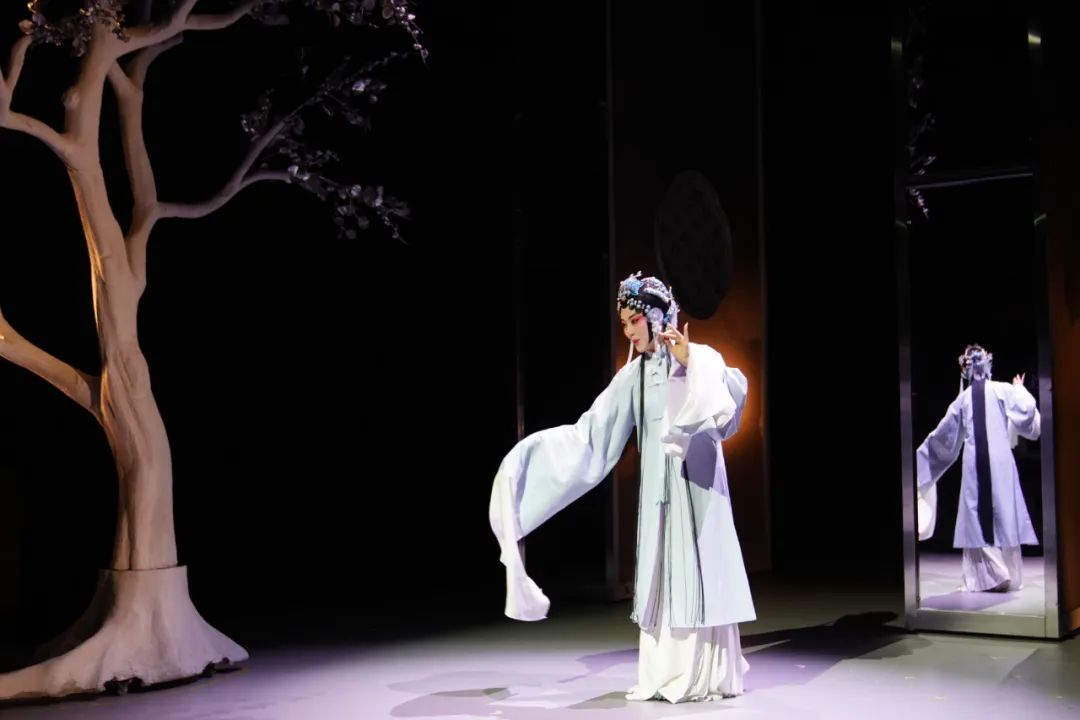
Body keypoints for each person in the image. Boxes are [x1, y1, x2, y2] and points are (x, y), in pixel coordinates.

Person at [489, 272, 755, 702]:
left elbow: (730, 404)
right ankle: (664, 675)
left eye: (635, 320)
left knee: (698, 572)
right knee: (662, 572)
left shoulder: (701, 359)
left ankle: (704, 675)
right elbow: (590, 435)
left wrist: (688, 360)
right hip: (658, 497)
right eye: (624, 324)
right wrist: (526, 461)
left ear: (657, 316)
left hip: (697, 491)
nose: (629, 331)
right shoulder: (634, 377)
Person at [916, 344, 1041, 592]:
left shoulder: (964, 399)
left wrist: (921, 463)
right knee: (1001, 510)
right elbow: (1027, 409)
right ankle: (1007, 574)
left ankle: (993, 575)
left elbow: (943, 438)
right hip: (999, 460)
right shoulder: (1001, 390)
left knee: (979, 511)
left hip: (978, 460)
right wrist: (1019, 388)